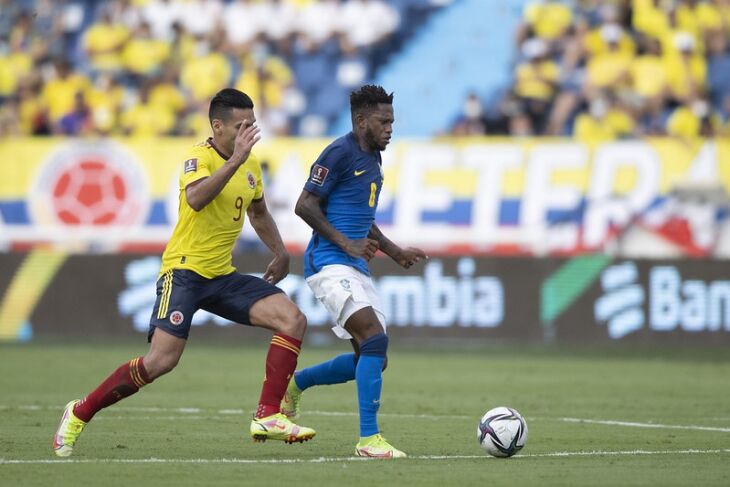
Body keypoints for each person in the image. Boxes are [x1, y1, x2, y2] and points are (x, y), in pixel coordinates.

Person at [52, 88, 316, 457]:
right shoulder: (198, 158)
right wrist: (235, 160)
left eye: (252, 126)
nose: (248, 134)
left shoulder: (250, 164)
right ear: (217, 126)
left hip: (222, 275)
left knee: (292, 319)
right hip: (185, 272)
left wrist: (280, 251)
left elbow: (258, 212)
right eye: (241, 126)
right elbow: (196, 198)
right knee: (161, 362)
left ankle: (268, 415)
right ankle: (80, 411)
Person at [286, 84, 427, 459]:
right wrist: (346, 244)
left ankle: (295, 385)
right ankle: (369, 440)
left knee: (374, 358)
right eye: (383, 121)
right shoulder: (339, 152)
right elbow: (304, 205)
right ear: (361, 120)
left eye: (392, 121)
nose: (390, 128)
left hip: (353, 264)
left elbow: (363, 217)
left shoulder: (374, 158)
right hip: (328, 263)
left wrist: (393, 251)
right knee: (374, 338)